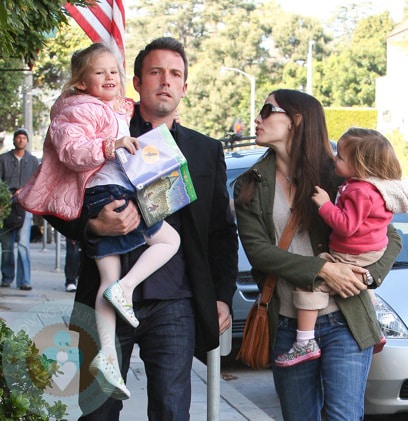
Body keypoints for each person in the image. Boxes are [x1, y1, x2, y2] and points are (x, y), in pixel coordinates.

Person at [43, 36, 238, 420]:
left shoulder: (205, 149)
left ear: (184, 86)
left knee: (171, 410)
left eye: (175, 74)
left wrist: (222, 296)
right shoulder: (101, 130)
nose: (166, 80)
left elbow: (220, 233)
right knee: (97, 411)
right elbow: (53, 200)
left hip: (175, 304)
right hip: (105, 300)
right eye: (156, 72)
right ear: (136, 82)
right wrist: (94, 225)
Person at [18, 43, 181, 400]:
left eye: (113, 72)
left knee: (109, 280)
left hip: (167, 293)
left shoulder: (112, 110)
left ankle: (106, 356)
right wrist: (112, 147)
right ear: (80, 82)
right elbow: (72, 151)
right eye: (100, 72)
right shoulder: (77, 112)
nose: (110, 77)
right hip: (106, 195)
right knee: (166, 242)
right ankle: (125, 292)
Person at [233, 89, 402, 420]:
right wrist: (322, 271)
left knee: (343, 416)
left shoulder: (338, 172)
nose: (257, 118)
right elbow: (259, 253)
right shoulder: (250, 184)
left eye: (267, 110)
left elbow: (390, 234)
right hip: (287, 324)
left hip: (346, 319)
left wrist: (368, 275)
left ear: (296, 120)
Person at [274, 127, 408, 367]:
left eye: (341, 157)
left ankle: (304, 342)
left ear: (360, 164)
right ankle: (374, 329)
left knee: (312, 284)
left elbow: (346, 226)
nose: (334, 159)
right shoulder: (376, 187)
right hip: (371, 250)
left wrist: (324, 205)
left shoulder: (359, 191)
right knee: (362, 287)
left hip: (353, 252)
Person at [0, 128, 39, 290]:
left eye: (24, 138)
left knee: (23, 245)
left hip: (25, 206)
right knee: (7, 245)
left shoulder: (33, 161)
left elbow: (37, 183)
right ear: (14, 140)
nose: (21, 140)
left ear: (27, 141)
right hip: (7, 205)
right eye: (18, 138)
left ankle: (25, 280)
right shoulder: (3, 159)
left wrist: (24, 192)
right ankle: (7, 277)